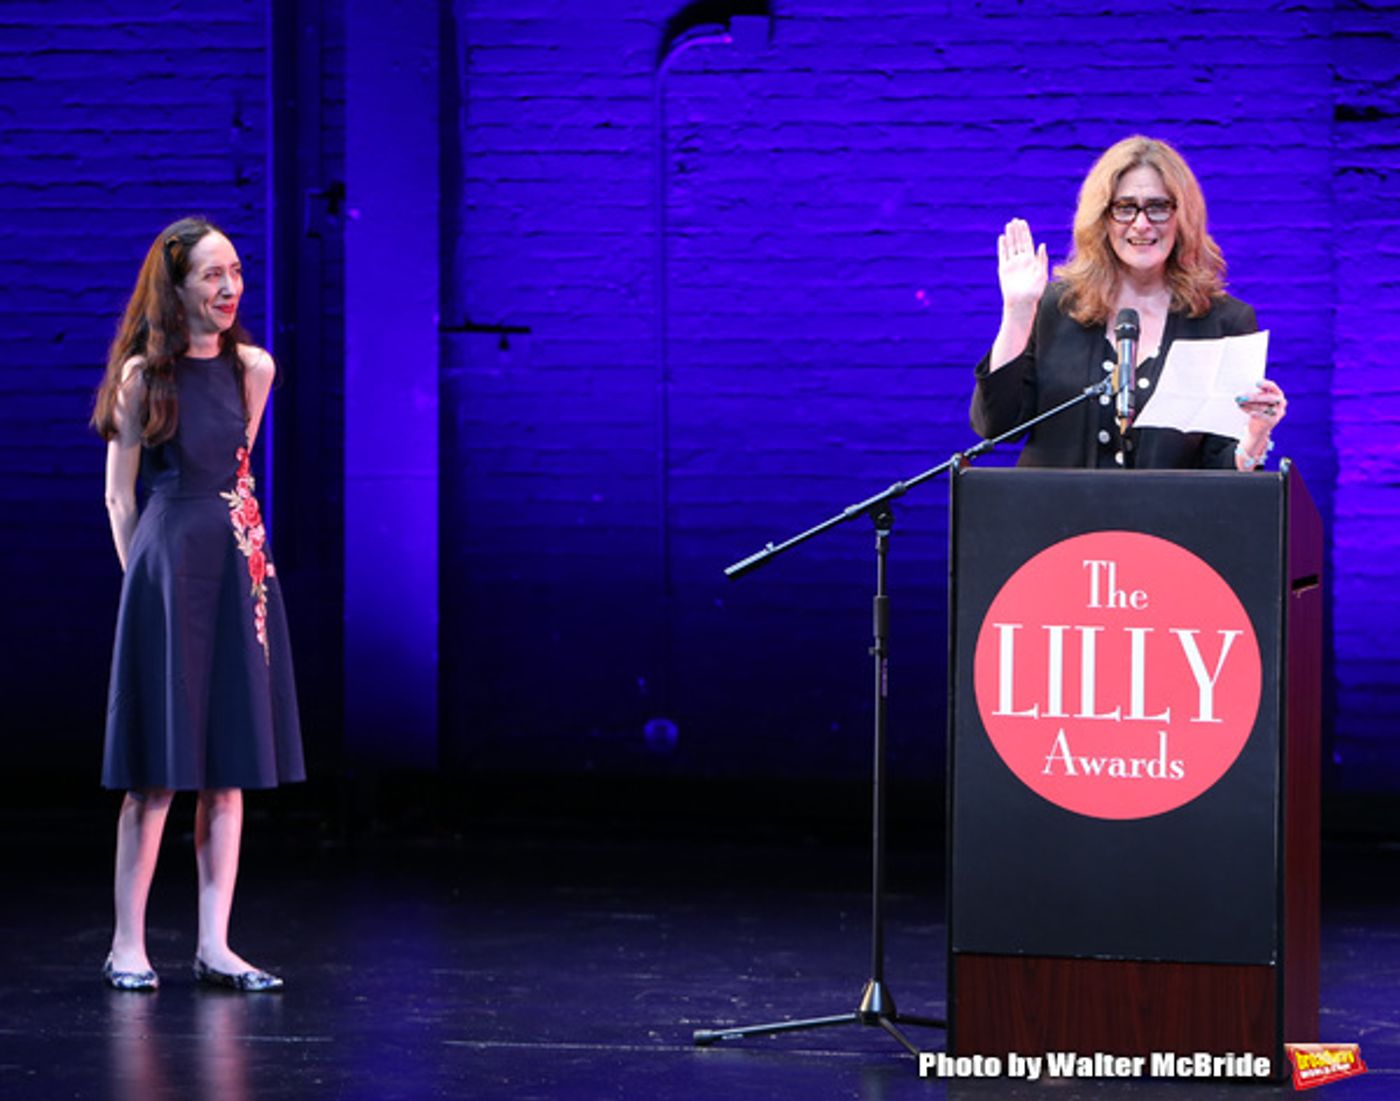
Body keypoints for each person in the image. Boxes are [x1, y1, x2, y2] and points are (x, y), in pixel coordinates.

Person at [91, 217, 304, 992]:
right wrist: (140, 592)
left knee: (230, 764)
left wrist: (248, 556)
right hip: (168, 565)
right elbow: (120, 496)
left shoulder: (255, 367)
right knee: (157, 769)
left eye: (236, 273)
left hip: (239, 565)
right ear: (176, 287)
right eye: (212, 275)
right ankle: (127, 943)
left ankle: (216, 942)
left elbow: (236, 469)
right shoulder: (143, 375)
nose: (229, 289)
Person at [971, 135, 1286, 469]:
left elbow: (1223, 469)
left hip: (1169, 520)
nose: (1141, 223)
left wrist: (1255, 435)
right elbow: (996, 426)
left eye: (1158, 207)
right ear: (1102, 218)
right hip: (1053, 517)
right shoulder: (1054, 308)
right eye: (1124, 208)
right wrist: (1018, 313)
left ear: (1183, 218)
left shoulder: (1226, 322)